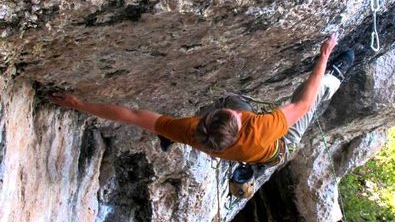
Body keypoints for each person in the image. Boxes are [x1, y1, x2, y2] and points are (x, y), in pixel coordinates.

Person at [48, 34, 354, 170]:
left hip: (235, 147)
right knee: (315, 92)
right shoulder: (261, 128)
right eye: (234, 115)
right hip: (279, 148)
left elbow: (130, 114)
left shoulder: (190, 130)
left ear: (205, 120)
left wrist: (79, 103)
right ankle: (337, 74)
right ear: (240, 125)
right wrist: (325, 54)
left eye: (230, 114)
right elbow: (302, 103)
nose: (235, 112)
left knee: (231, 97)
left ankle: (168, 138)